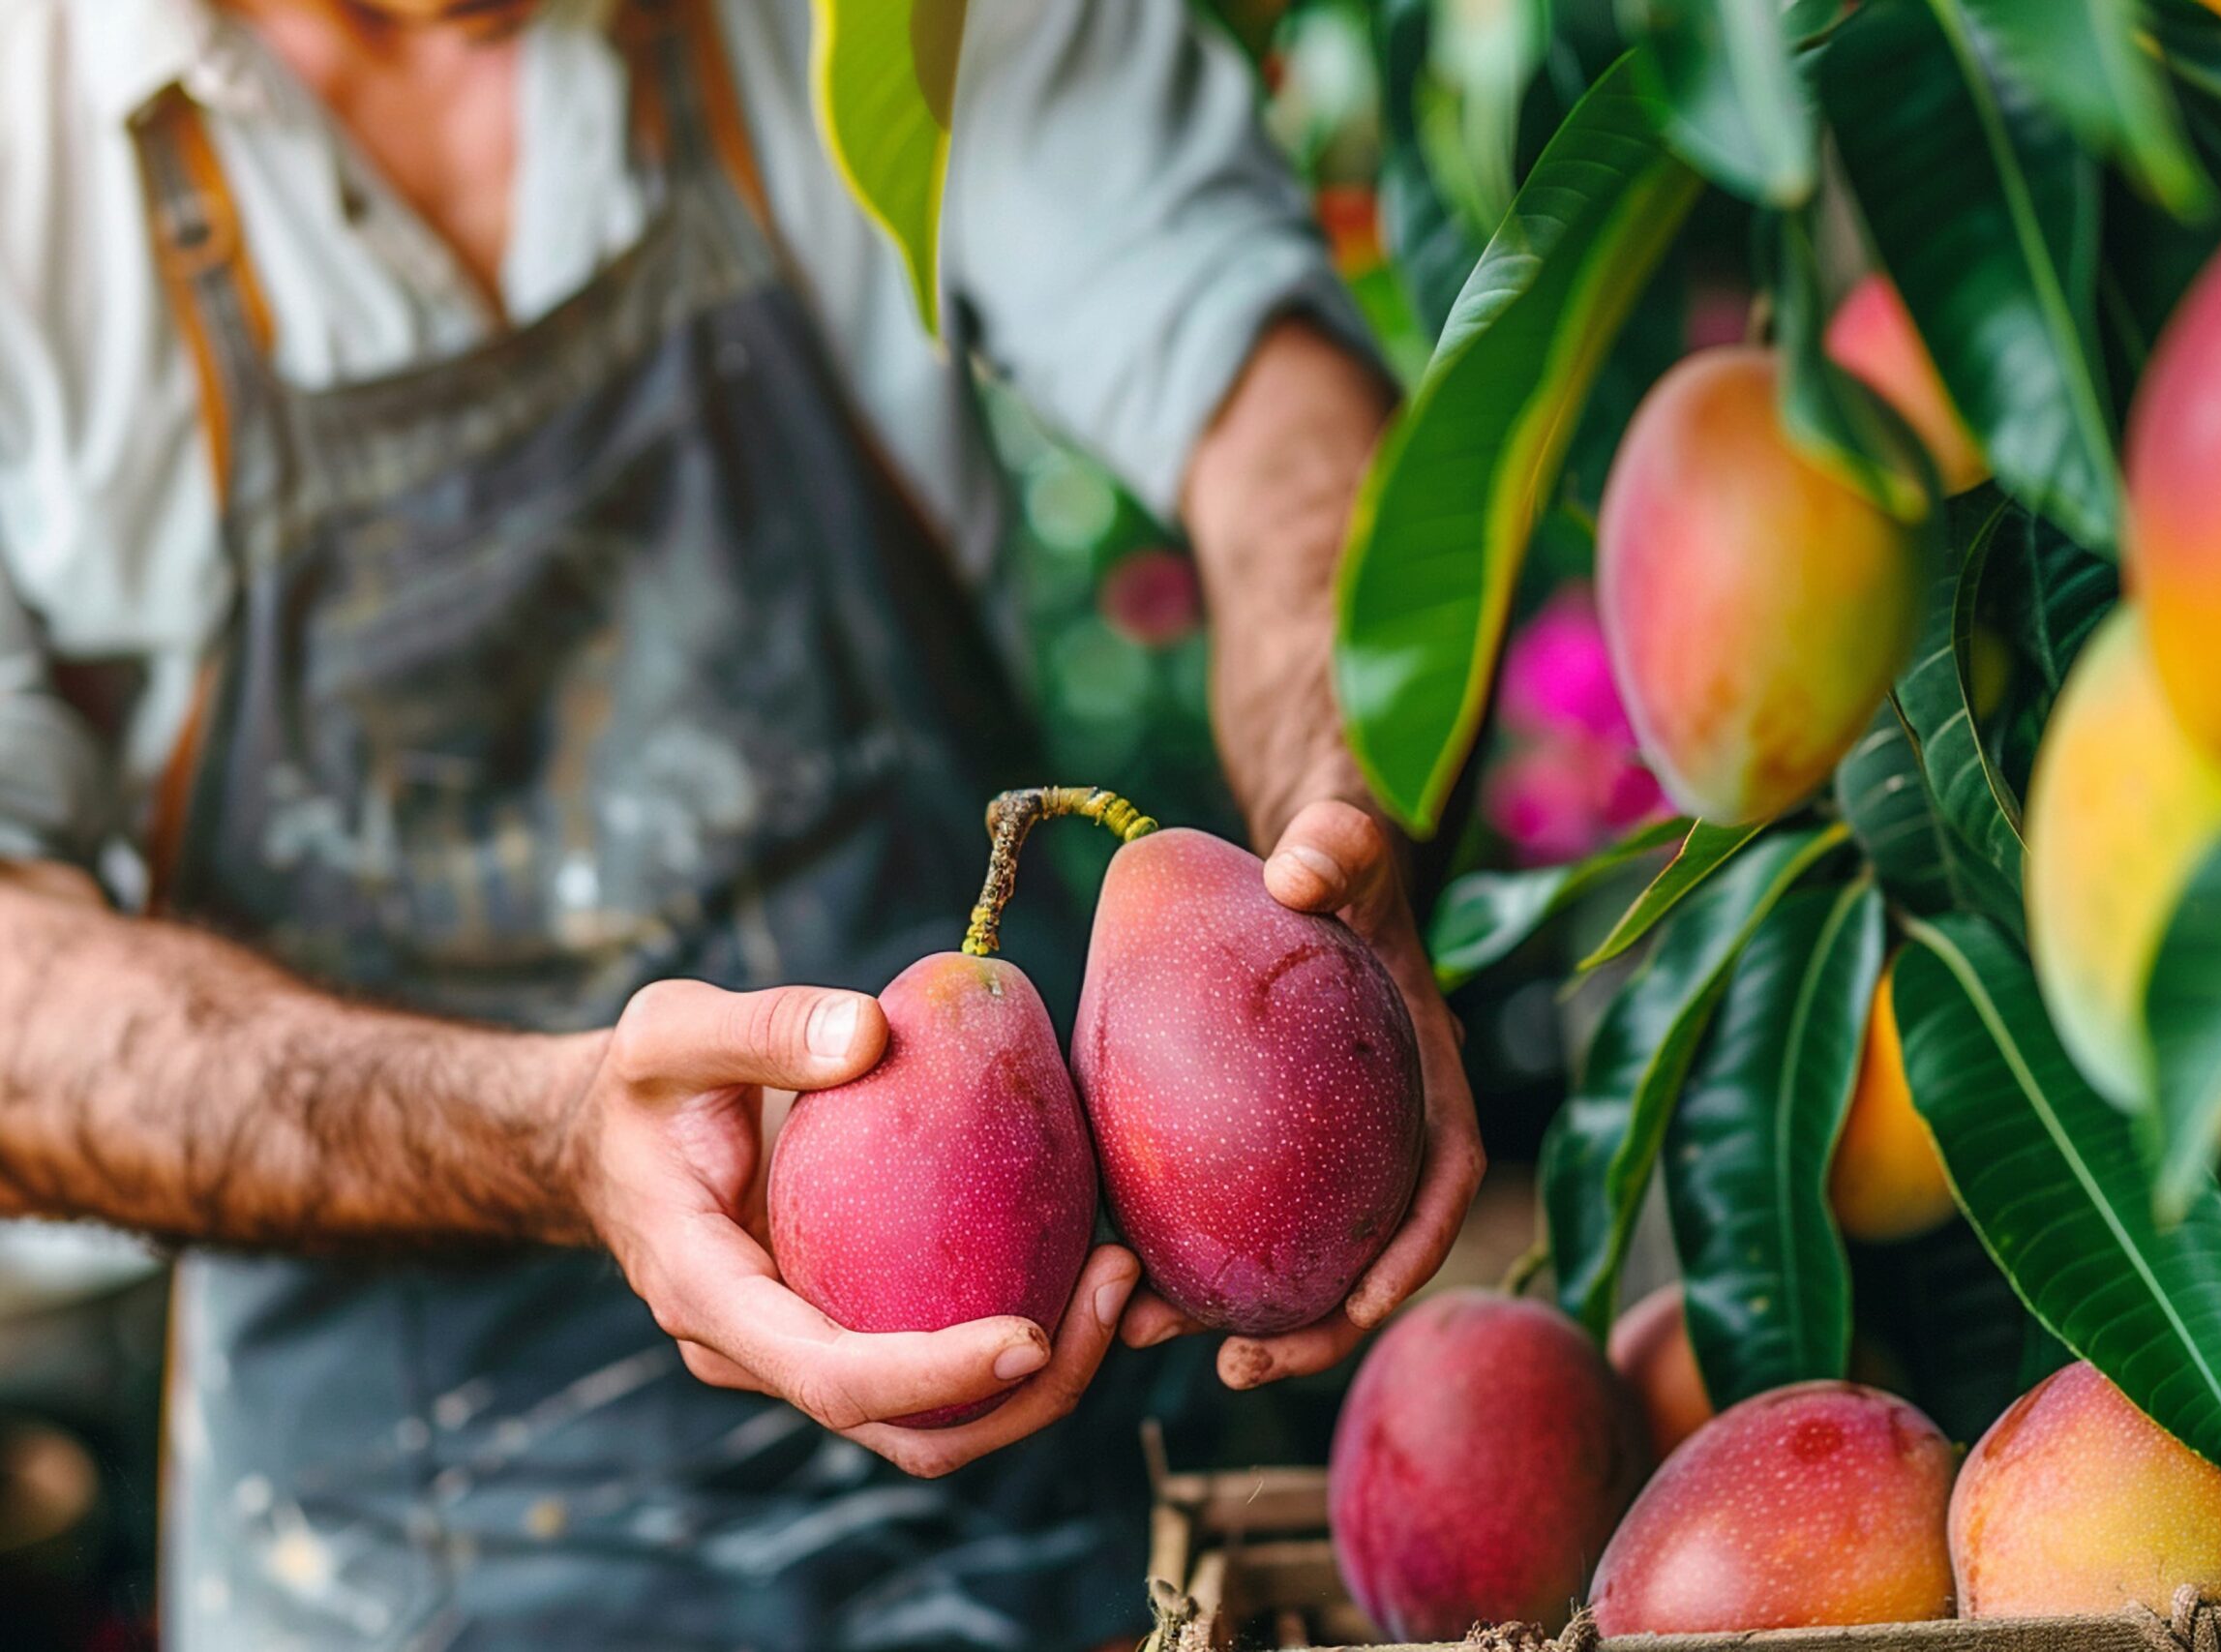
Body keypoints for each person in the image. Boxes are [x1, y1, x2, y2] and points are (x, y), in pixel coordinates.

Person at [0, 0, 1484, 1645]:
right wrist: (553, 1136)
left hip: (1061, 1478)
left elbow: (1261, 387)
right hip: (391, 1563)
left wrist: (1333, 791)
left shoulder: (881, 28)